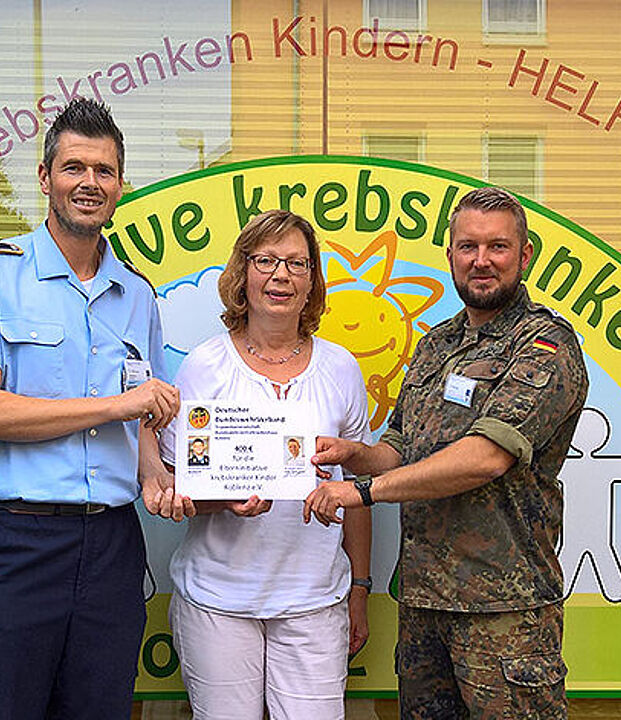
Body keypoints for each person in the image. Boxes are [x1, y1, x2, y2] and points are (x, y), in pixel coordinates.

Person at [0, 98, 186, 720]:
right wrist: (115, 404)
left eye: (103, 170)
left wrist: (156, 474)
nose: (88, 183)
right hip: (17, 542)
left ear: (120, 184)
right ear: (45, 178)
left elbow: (141, 420)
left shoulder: (137, 295)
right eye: (74, 167)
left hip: (113, 549)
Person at [304, 187, 589, 719]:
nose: (482, 261)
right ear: (452, 255)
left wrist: (360, 490)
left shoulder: (545, 345)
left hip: (504, 612)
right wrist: (355, 454)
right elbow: (402, 447)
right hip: (424, 605)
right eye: (468, 247)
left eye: (498, 247)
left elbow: (485, 457)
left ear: (525, 256)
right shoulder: (437, 344)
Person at [154, 209, 372, 720]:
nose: (280, 275)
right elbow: (175, 484)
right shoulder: (203, 366)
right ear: (242, 273)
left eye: (297, 264)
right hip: (217, 600)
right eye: (266, 260)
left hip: (316, 600)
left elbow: (359, 490)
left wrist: (360, 590)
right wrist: (222, 500)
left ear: (312, 280)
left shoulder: (340, 367)